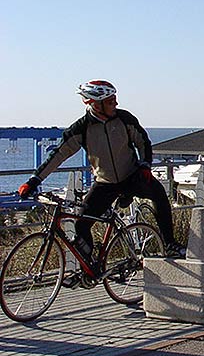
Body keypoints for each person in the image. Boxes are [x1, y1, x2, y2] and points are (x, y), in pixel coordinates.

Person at [17, 80, 185, 265]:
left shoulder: (124, 119)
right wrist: (33, 180)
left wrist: (145, 165)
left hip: (132, 176)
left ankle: (170, 244)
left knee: (159, 194)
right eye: (111, 101)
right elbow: (58, 156)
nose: (116, 104)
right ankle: (89, 267)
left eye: (115, 99)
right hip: (105, 183)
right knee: (81, 224)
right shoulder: (81, 128)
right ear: (96, 104)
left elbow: (143, 142)